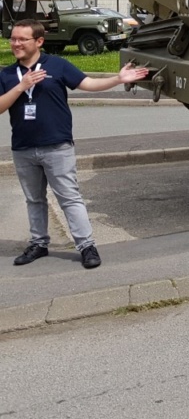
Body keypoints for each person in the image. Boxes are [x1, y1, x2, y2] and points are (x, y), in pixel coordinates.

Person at [1, 19, 148, 269]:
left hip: (57, 146)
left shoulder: (56, 65)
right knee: (34, 199)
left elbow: (88, 84)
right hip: (23, 148)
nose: (15, 43)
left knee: (69, 197)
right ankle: (39, 243)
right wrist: (21, 86)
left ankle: (86, 245)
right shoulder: (6, 74)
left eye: (21, 39)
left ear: (38, 41)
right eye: (13, 39)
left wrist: (118, 78)